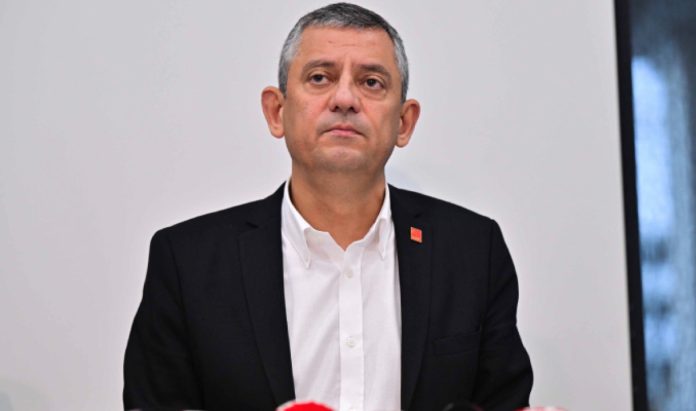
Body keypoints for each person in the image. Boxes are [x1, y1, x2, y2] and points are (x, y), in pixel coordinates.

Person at [123, 3, 533, 411]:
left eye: (371, 82)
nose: (345, 99)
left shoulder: (473, 251)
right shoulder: (187, 262)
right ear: (276, 111)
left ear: (404, 122)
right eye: (320, 77)